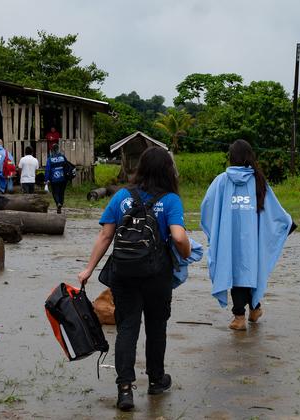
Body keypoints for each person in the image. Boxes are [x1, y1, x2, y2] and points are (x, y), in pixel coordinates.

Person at [77, 147, 191, 411]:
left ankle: (125, 390)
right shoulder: (171, 199)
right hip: (156, 274)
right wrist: (185, 253)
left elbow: (105, 236)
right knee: (156, 326)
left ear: (141, 168)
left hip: (123, 272)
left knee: (127, 328)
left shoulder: (122, 196)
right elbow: (178, 236)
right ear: (167, 170)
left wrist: (88, 270)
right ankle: (155, 380)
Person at [200, 139, 293, 331]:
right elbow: (275, 212)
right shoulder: (258, 181)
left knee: (235, 275)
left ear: (231, 157)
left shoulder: (221, 181)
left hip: (229, 240)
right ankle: (255, 308)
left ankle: (239, 317)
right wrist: (287, 223)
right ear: (250, 156)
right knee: (249, 273)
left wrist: (216, 232)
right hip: (252, 243)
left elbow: (206, 208)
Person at [45, 144, 68, 213]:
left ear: (52, 150)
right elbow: (67, 166)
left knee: (55, 192)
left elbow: (47, 170)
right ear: (58, 149)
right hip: (63, 178)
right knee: (61, 192)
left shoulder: (50, 158)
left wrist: (46, 179)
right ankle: (61, 203)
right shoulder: (63, 157)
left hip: (54, 179)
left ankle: (58, 203)